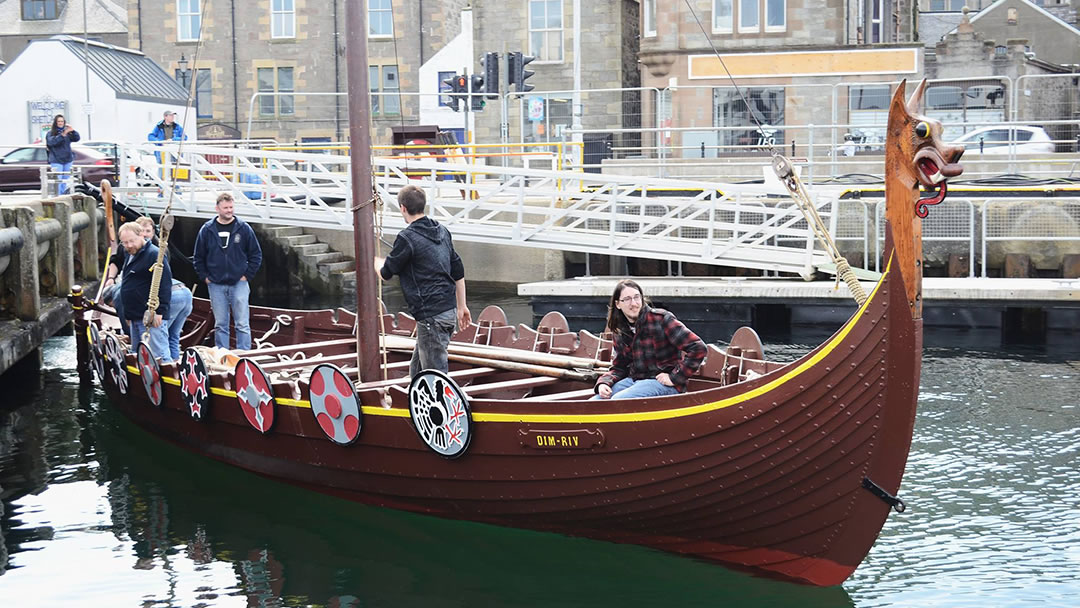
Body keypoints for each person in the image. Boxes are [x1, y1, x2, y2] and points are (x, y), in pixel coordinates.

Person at [375, 185, 471, 377]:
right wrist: (462, 306)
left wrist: (375, 261)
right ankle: (413, 402)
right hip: (447, 311)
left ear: (403, 208)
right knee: (417, 371)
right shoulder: (442, 231)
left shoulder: (407, 238)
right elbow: (458, 270)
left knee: (433, 376)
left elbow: (386, 272)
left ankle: (440, 405)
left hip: (431, 316)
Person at [592, 280, 706, 400]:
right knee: (595, 401)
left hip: (663, 384)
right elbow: (619, 367)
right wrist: (604, 382)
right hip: (635, 381)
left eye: (637, 297)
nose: (634, 303)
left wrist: (674, 378)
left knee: (618, 400)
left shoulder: (661, 319)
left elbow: (698, 347)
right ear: (618, 304)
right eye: (627, 299)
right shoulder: (620, 330)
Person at [193, 193, 262, 350]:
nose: (229, 211)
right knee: (221, 323)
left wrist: (247, 276)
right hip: (215, 283)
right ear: (217, 208)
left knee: (242, 323)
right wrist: (205, 277)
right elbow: (198, 257)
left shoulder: (244, 228)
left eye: (231, 207)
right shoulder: (207, 230)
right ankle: (222, 354)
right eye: (226, 208)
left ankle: (244, 354)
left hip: (239, 282)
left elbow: (256, 254)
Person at [136, 216, 192, 362]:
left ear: (153, 231)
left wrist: (160, 311)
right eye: (142, 231)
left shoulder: (153, 251)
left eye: (147, 231)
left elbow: (162, 283)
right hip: (185, 293)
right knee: (174, 336)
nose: (145, 234)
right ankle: (176, 366)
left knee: (161, 337)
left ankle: (169, 370)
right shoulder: (161, 248)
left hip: (173, 296)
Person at [117, 222, 172, 360]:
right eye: (125, 243)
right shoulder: (129, 253)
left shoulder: (154, 255)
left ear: (142, 234)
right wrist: (128, 314)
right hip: (135, 315)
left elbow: (165, 283)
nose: (129, 245)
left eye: (132, 241)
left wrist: (160, 311)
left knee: (158, 355)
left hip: (150, 316)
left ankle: (170, 379)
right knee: (138, 355)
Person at [45, 114, 80, 195]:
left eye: (62, 121)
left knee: (66, 180)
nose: (60, 123)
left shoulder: (68, 133)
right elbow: (52, 142)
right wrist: (63, 134)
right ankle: (58, 196)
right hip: (56, 160)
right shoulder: (50, 133)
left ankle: (63, 195)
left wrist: (73, 131)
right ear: (55, 122)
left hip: (67, 159)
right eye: (58, 121)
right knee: (58, 180)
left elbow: (76, 138)